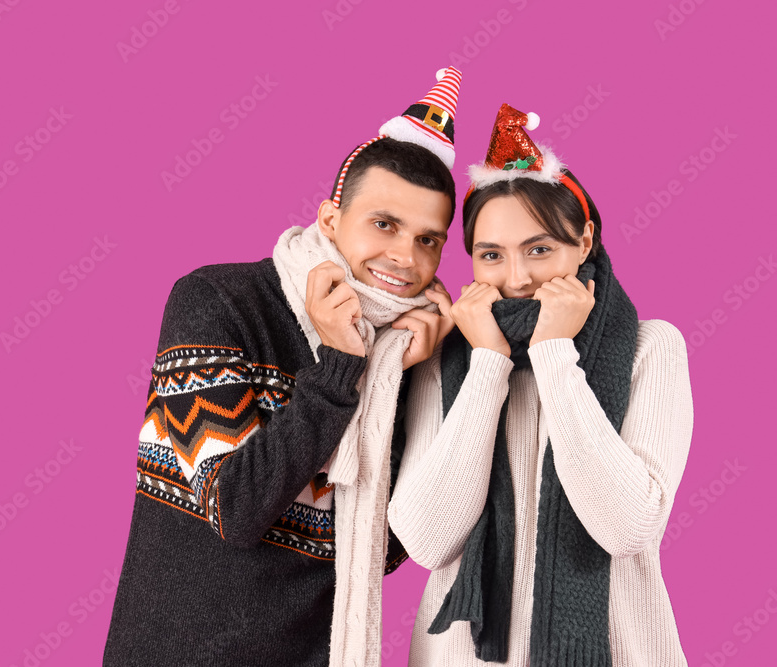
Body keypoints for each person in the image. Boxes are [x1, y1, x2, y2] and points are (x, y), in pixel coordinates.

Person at [103, 68, 463, 666]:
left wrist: (416, 385)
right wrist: (342, 361)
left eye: (430, 240)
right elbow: (235, 509)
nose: (406, 256)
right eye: (384, 224)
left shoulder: (411, 348)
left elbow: (394, 545)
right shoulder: (221, 301)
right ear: (329, 219)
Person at [388, 103, 694, 666]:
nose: (518, 278)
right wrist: (486, 364)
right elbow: (429, 541)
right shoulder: (444, 356)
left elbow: (626, 528)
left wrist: (554, 352)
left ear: (584, 241)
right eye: (491, 256)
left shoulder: (651, 348)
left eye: (540, 249)